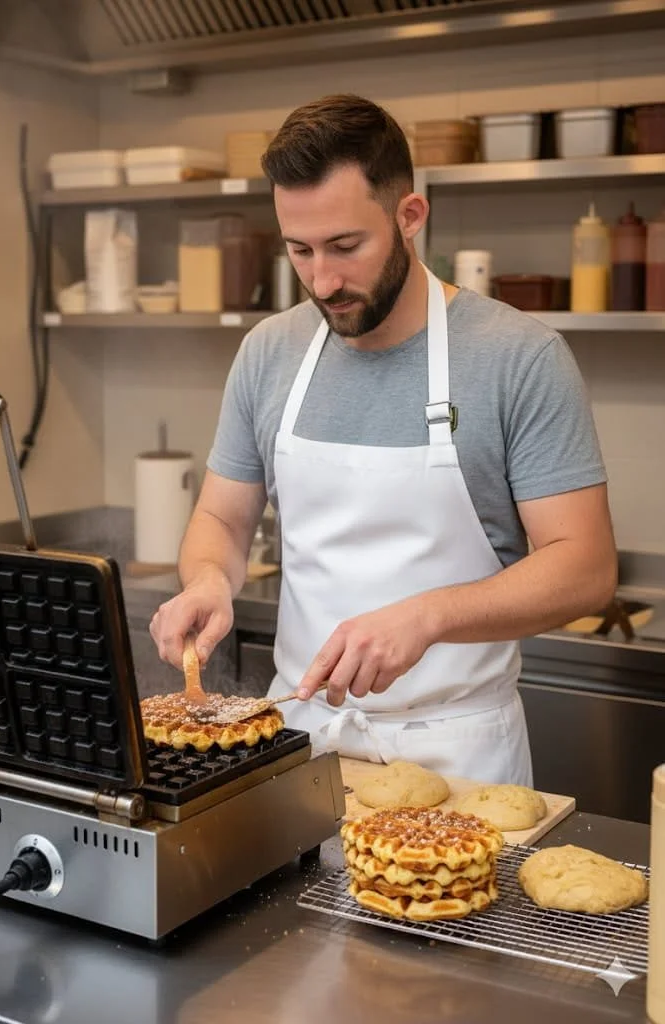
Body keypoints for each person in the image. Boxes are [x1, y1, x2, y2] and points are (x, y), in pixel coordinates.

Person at [149, 94, 617, 784]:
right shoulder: (268, 351)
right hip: (300, 746)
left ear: (409, 216)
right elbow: (221, 515)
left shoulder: (516, 355)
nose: (323, 280)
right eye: (299, 251)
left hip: (458, 753)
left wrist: (426, 617)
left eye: (345, 246)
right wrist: (211, 579)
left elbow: (584, 567)